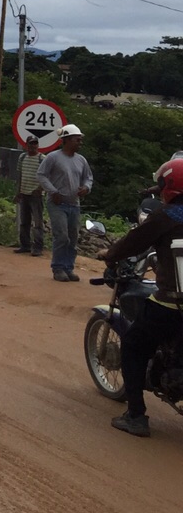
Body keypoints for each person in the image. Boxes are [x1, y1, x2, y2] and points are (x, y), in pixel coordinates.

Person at [96, 156, 183, 438]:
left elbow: (132, 242)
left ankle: (136, 416)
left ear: (168, 185)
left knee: (133, 345)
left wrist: (109, 254)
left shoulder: (169, 215)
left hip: (173, 305)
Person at [37, 123, 93, 282]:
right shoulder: (53, 157)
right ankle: (58, 268)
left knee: (73, 238)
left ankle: (69, 268)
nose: (80, 143)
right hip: (57, 204)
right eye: (77, 140)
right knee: (62, 236)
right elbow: (41, 175)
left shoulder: (81, 160)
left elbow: (88, 178)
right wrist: (52, 191)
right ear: (67, 140)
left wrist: (86, 188)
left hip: (74, 204)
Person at [14, 136, 47, 255]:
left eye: (35, 144)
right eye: (31, 144)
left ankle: (38, 247)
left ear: (38, 145)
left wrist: (40, 189)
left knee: (37, 222)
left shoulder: (42, 159)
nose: (33, 146)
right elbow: (20, 175)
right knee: (24, 221)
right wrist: (18, 192)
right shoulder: (22, 157)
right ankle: (25, 245)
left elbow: (47, 176)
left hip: (36, 195)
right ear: (26, 145)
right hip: (24, 193)